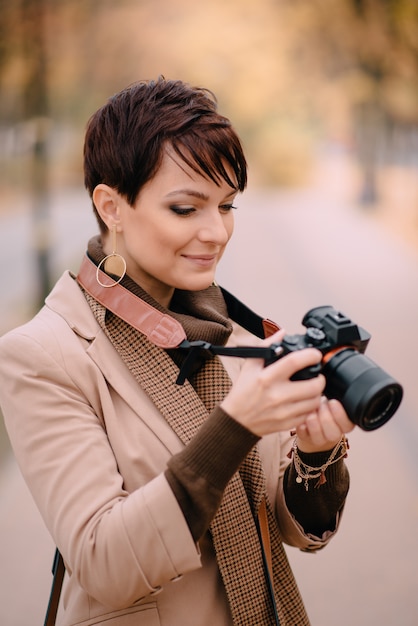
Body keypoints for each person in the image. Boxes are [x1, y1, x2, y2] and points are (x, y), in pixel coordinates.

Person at [0, 77, 354, 626]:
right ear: (111, 206)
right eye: (186, 209)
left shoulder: (234, 338)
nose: (216, 232)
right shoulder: (41, 355)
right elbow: (103, 563)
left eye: (228, 205)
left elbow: (289, 531)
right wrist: (234, 426)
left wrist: (316, 452)